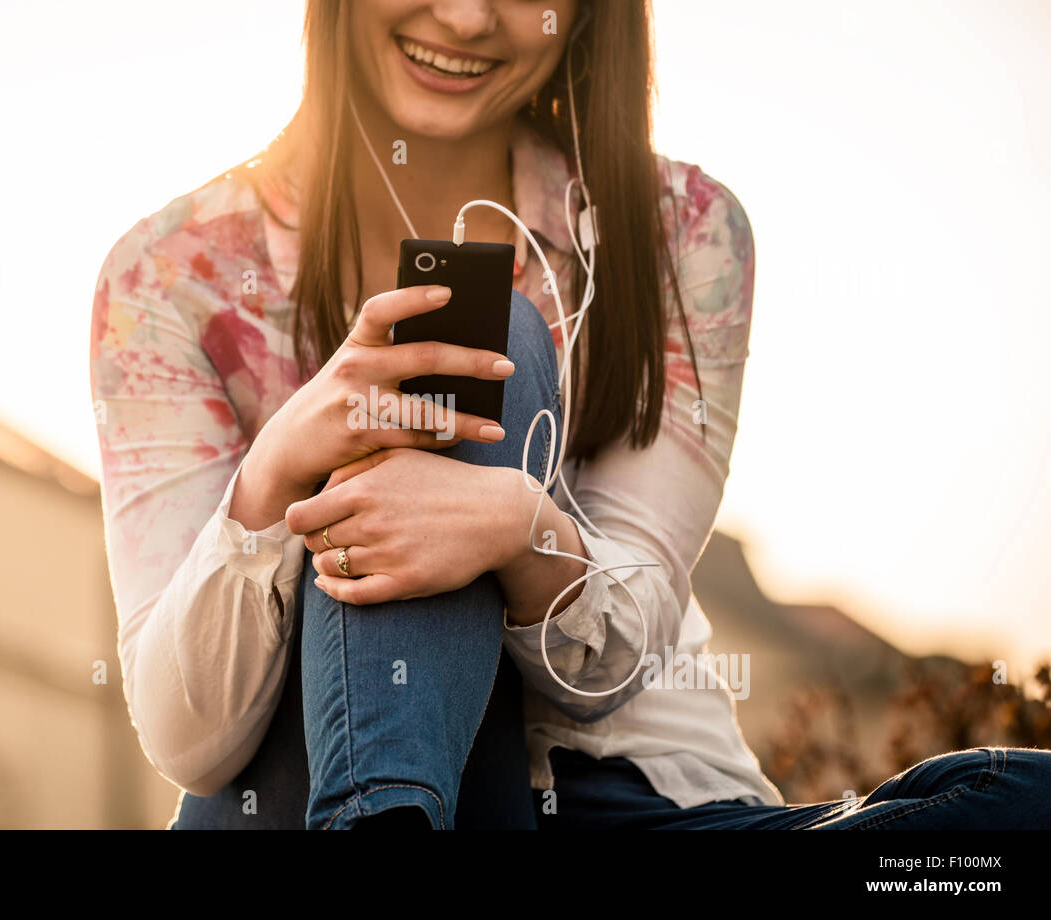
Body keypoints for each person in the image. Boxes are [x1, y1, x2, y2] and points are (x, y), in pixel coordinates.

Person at [89, 0, 1051, 829]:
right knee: (480, 331)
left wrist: (517, 528)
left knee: (1010, 812)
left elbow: (617, 653)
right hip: (300, 789)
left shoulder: (682, 229)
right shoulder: (168, 276)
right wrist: (273, 480)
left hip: (622, 793)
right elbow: (191, 741)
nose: (465, 18)